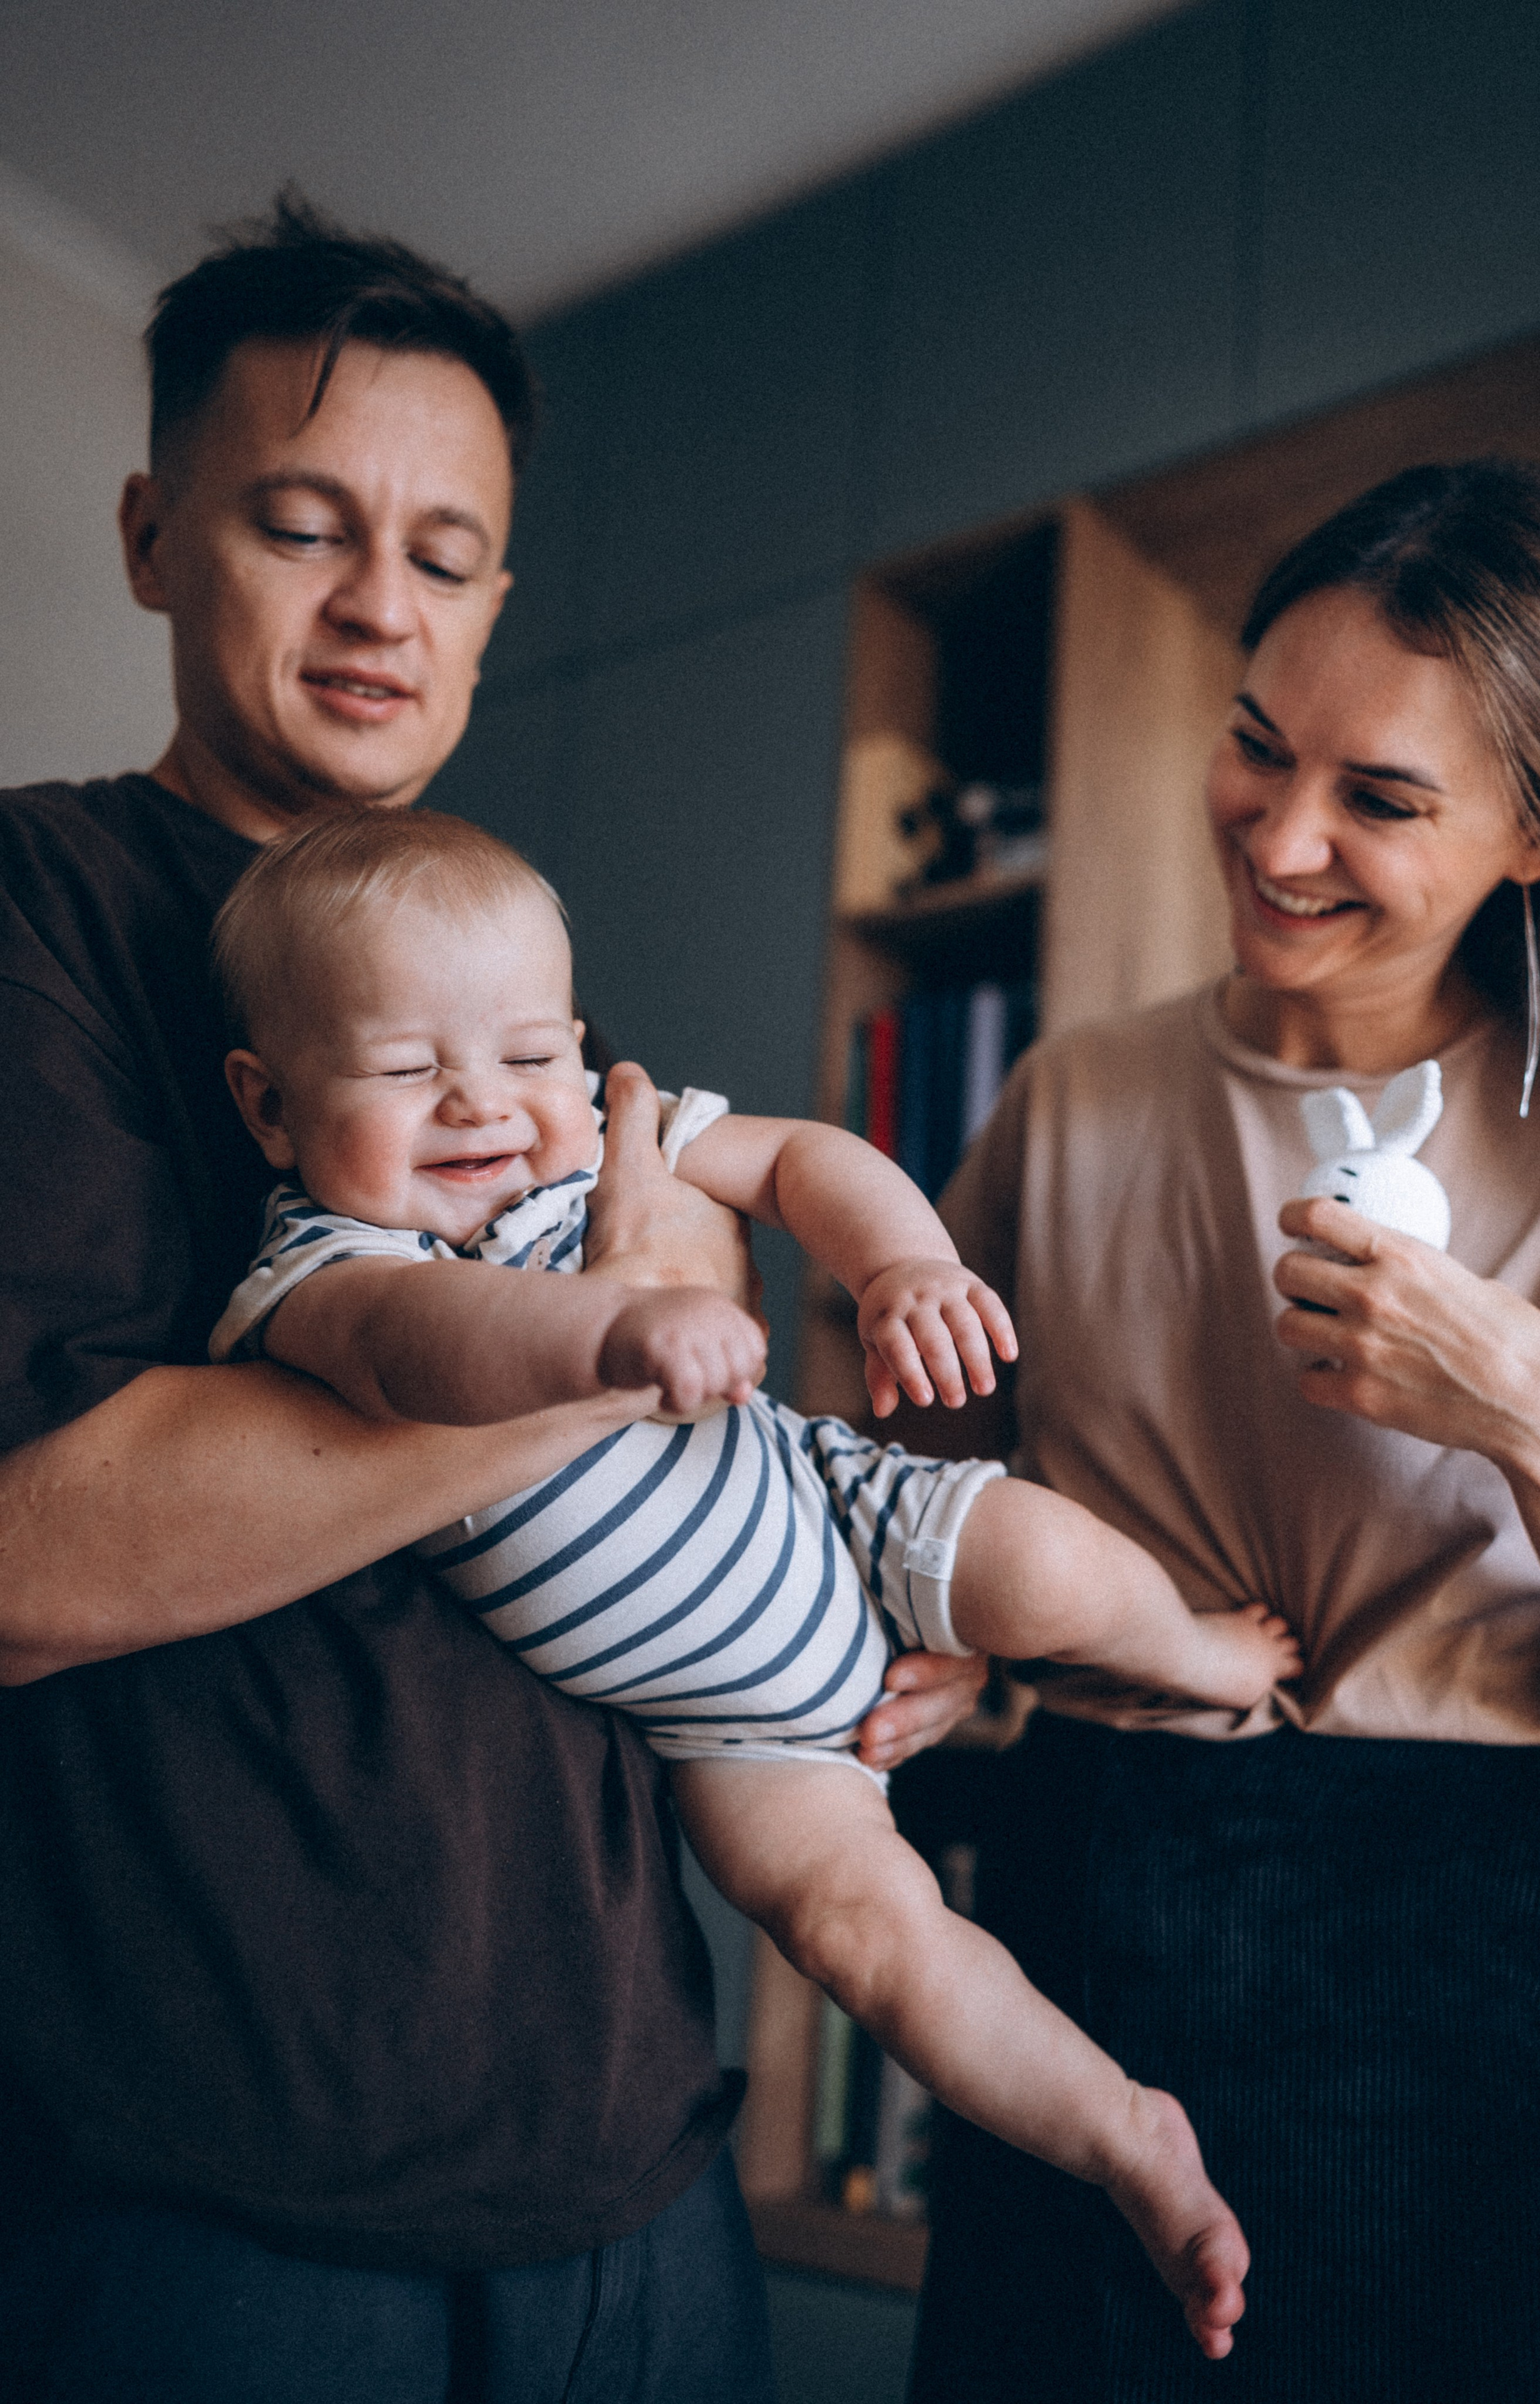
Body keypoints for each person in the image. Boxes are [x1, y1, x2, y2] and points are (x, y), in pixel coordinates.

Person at [0, 193, 984, 2403]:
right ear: (158, 535)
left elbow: (656, 1480)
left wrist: (826, 1601)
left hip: (643, 2182)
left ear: (500, 603)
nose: (380, 607)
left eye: (445, 557)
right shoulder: (41, 905)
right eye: (303, 525)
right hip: (216, 2210)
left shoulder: (502, 985)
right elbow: (32, 1557)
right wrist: (616, 1341)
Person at [202, 805, 1309, 2355]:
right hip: (729, 1740)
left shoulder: (605, 1132)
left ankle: (1187, 1653)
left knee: (1049, 1567)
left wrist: (898, 1262)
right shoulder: (316, 1269)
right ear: (269, 1104)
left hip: (829, 1512)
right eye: (403, 1071)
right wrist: (612, 1328)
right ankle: (1121, 2133)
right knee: (871, 1942)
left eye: (528, 1054)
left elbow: (794, 1157)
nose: (484, 1107)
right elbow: (414, 1356)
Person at [902, 456, 1540, 2404]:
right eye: (1255, 746)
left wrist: (1537, 1408)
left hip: (1471, 1937)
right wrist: (939, 1613)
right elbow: (910, 1488)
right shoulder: (1075, 1096)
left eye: (1380, 798)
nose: (1281, 835)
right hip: (1087, 1891)